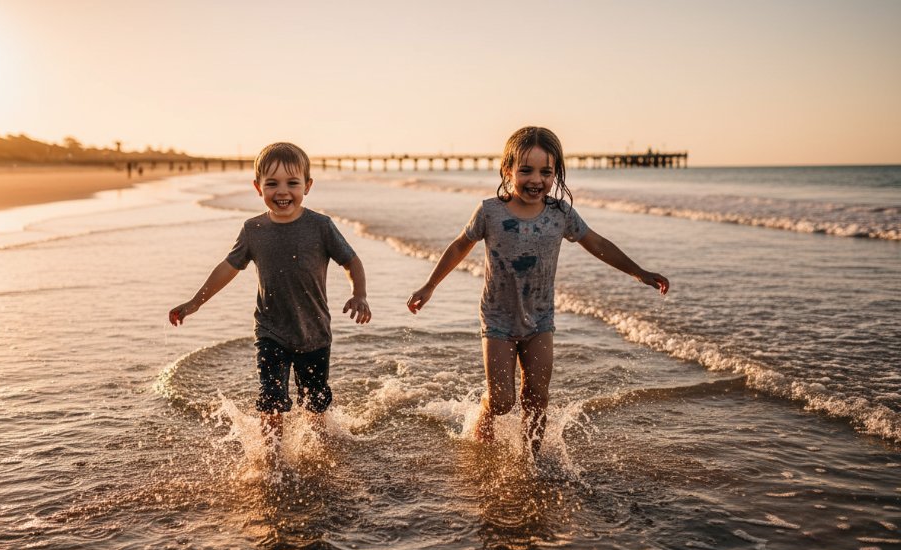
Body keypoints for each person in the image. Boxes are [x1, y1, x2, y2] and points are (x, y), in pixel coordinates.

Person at [406, 127, 669, 455]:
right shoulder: (490, 211)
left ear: (556, 173)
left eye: (546, 172)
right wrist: (430, 285)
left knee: (537, 396)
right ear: (508, 170)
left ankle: (531, 458)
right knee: (503, 401)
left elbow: (597, 243)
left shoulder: (561, 214)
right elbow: (461, 245)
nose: (536, 179)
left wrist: (638, 272)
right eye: (526, 170)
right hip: (498, 318)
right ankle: (482, 425)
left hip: (540, 319)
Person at [169, 142, 371, 459]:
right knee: (271, 398)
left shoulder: (321, 226)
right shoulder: (253, 230)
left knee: (314, 404)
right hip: (270, 331)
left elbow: (352, 261)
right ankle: (271, 462)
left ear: (308, 185)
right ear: (257, 187)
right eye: (272, 183)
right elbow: (228, 267)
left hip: (314, 332)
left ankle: (324, 455)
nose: (283, 191)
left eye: (292, 183)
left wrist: (359, 294)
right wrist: (196, 302)